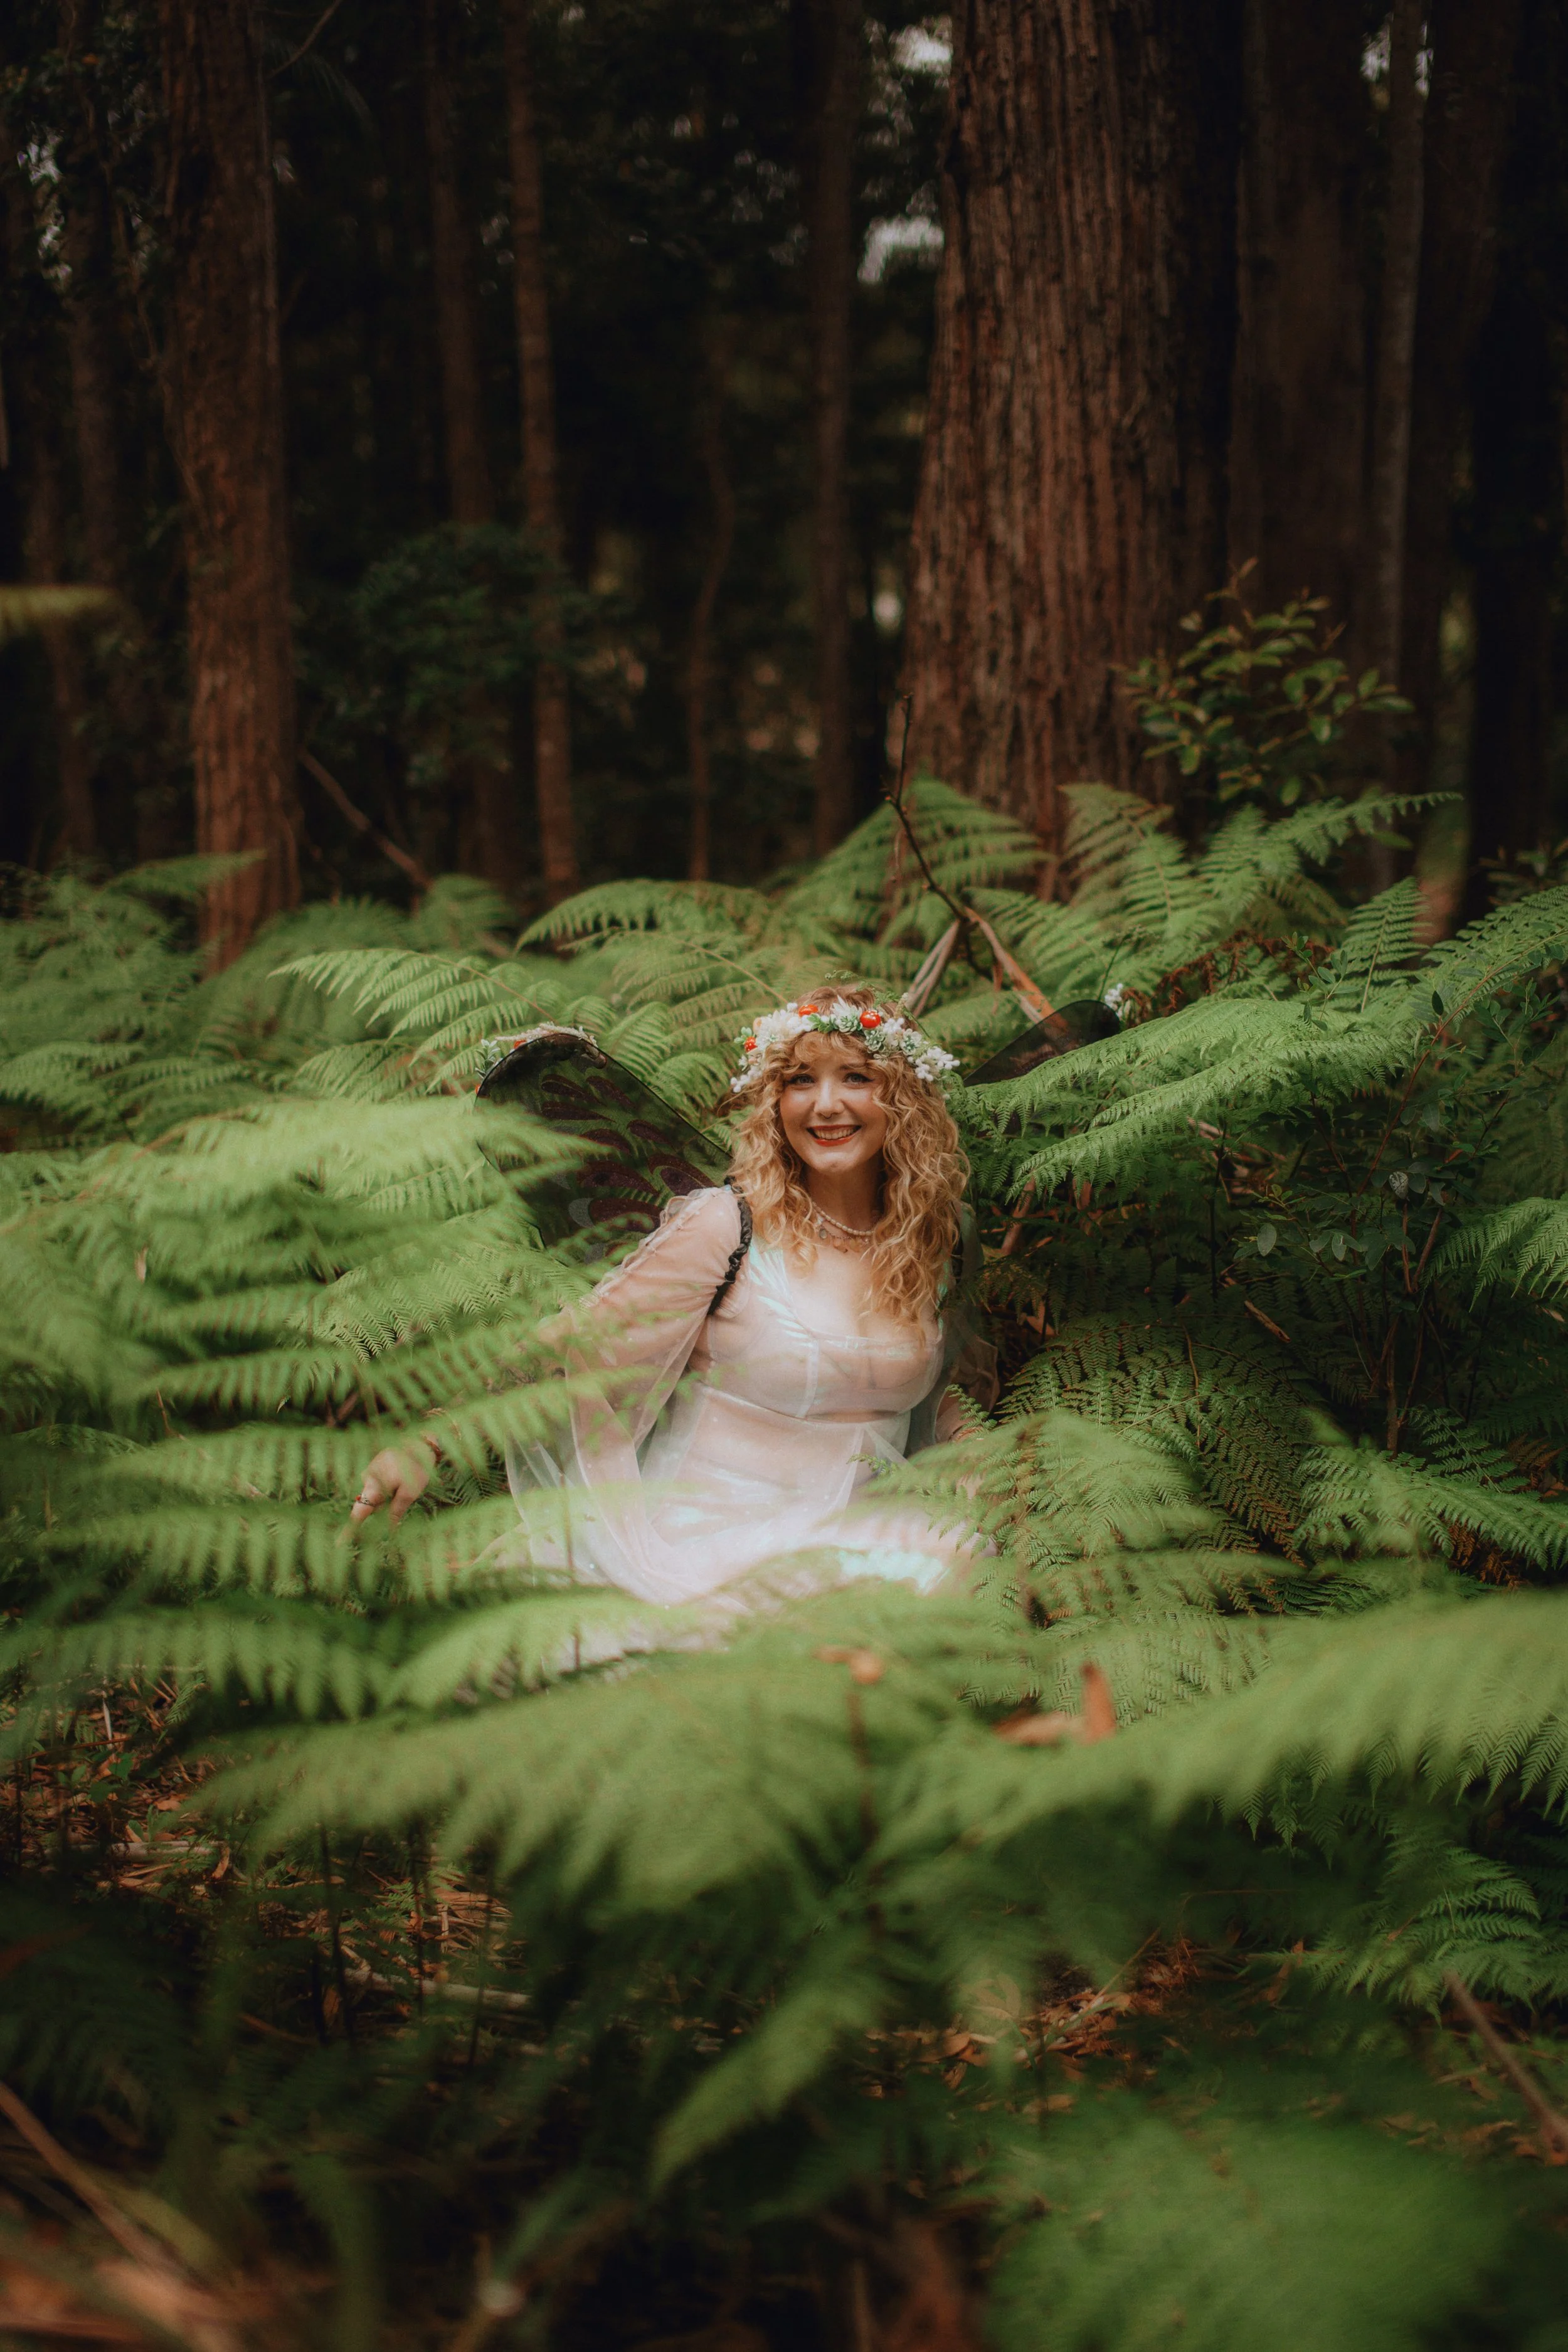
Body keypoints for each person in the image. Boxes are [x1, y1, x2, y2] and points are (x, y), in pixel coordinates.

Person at [351, 984, 982, 1606]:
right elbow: (571, 1346)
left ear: (904, 1097)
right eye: (798, 1081)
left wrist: (988, 1461)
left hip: (865, 1541)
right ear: (773, 1101)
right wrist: (430, 1443)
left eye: (855, 1078)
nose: (824, 1106)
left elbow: (930, 1394)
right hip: (699, 1542)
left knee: (955, 1568)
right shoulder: (727, 1227)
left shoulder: (933, 1241)